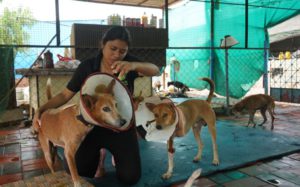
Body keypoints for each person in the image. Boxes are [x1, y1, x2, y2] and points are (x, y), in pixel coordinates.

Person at [33, 26, 160, 185]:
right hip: (92, 127)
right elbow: (65, 95)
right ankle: (100, 156)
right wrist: (41, 109)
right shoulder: (88, 66)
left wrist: (134, 65)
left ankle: (116, 153)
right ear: (103, 45)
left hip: (121, 124)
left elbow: (155, 70)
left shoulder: (128, 63)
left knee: (130, 177)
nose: (117, 55)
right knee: (79, 169)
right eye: (112, 49)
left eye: (122, 51)